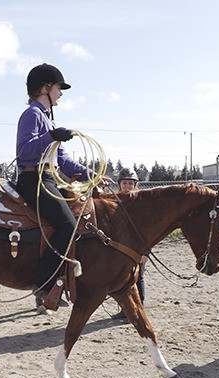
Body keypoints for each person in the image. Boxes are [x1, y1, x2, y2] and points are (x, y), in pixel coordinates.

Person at [16, 63, 112, 314]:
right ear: (45, 88)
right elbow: (24, 152)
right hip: (34, 180)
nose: (61, 93)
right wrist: (51, 137)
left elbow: (64, 162)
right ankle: (44, 285)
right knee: (68, 225)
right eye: (58, 87)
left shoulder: (48, 119)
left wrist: (94, 175)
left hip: (48, 178)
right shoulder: (32, 115)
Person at [112, 167, 149, 321]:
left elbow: (149, 230)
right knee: (121, 278)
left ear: (135, 185)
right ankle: (125, 309)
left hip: (137, 247)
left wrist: (146, 252)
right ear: (119, 184)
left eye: (130, 183)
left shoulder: (141, 204)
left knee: (137, 277)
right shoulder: (113, 201)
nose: (127, 186)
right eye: (124, 183)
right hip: (119, 247)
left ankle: (137, 311)